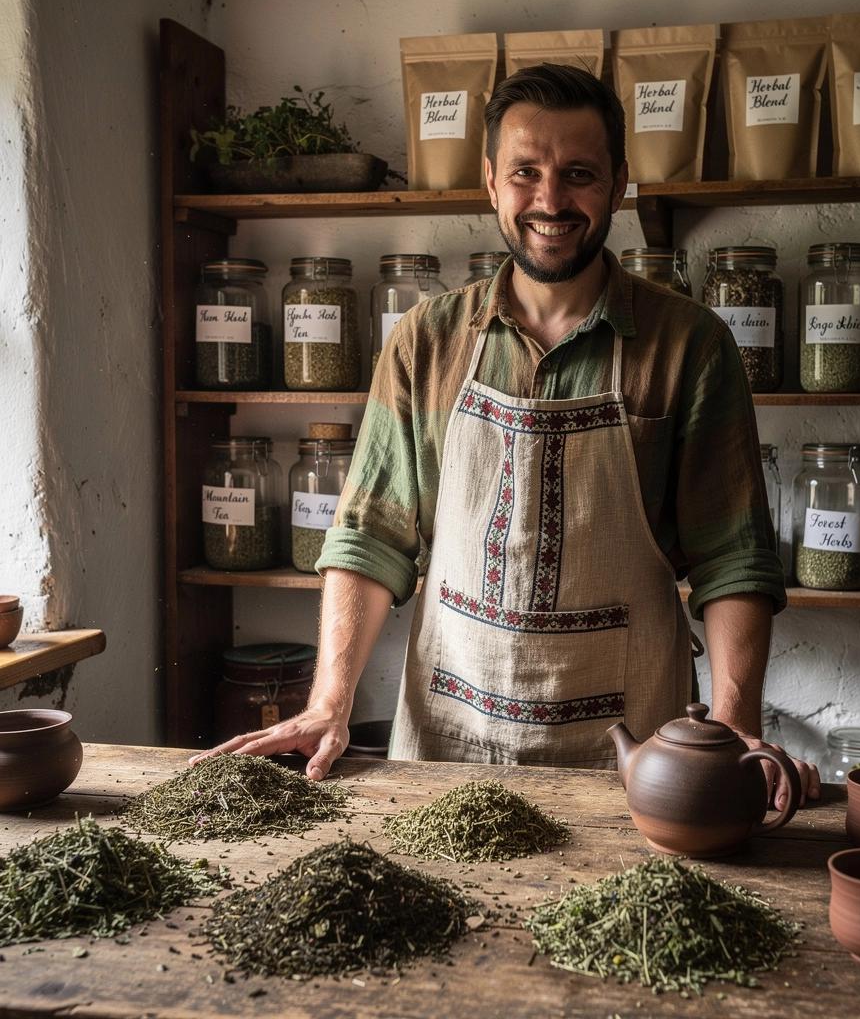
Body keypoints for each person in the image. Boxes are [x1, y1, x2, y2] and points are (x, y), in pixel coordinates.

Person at [192, 64, 820, 809]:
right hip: (445, 753)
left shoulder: (691, 345)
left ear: (619, 183)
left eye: (579, 174)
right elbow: (369, 538)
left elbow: (734, 558)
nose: (551, 200)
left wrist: (732, 728)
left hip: (637, 760)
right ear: (491, 182)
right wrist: (329, 700)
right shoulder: (425, 342)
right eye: (527, 172)